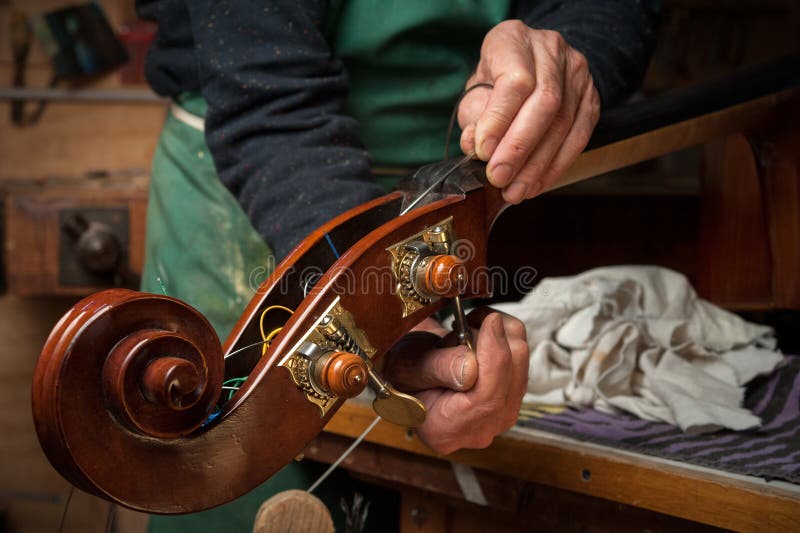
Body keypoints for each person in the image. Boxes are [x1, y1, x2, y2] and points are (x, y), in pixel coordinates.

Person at [135, 1, 659, 530]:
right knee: (223, 464)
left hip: (464, 188)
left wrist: (554, 77)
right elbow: (269, 93)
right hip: (275, 174)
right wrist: (386, 311)